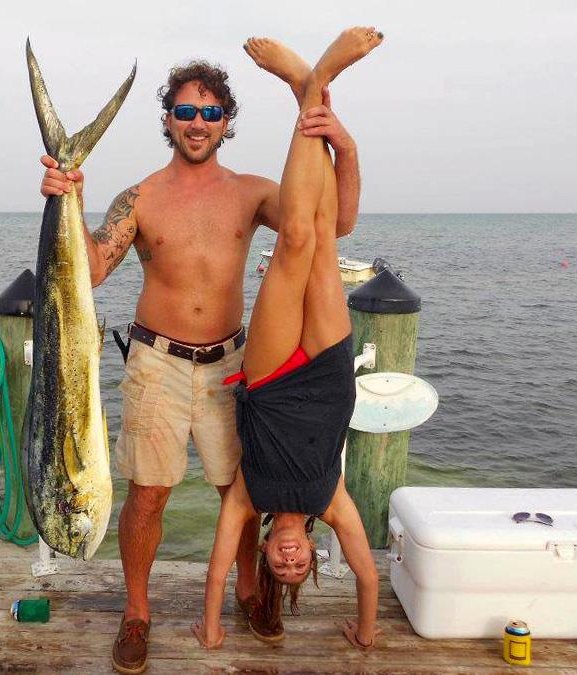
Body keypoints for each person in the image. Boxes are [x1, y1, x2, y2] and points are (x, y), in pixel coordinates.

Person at [39, 54, 362, 674]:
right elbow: (93, 267)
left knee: (243, 490)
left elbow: (335, 224)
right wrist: (67, 198)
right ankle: (137, 613)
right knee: (147, 496)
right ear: (168, 118)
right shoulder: (140, 197)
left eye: (210, 113)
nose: (198, 122)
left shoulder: (250, 192)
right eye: (185, 110)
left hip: (233, 367)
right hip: (155, 363)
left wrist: (342, 146)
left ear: (225, 123)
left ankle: (249, 591)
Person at [190, 28, 383, 652]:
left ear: (269, 550)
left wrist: (212, 626)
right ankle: (309, 86)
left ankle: (316, 77)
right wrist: (365, 631)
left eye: (281, 565)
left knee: (295, 238)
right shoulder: (333, 503)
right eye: (302, 566)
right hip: (326, 377)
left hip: (271, 381)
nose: (291, 560)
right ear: (311, 554)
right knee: (321, 237)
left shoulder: (250, 498)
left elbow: (218, 567)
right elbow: (368, 574)